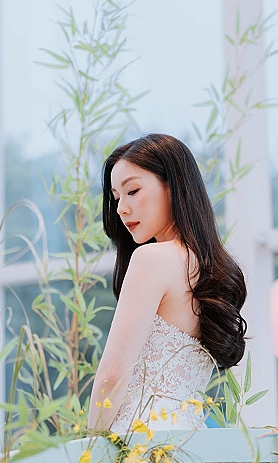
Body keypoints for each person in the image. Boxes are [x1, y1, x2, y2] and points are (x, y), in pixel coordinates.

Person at [88, 133, 247, 434]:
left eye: (132, 190)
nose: (121, 208)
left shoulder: (151, 259)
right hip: (192, 443)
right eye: (116, 197)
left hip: (142, 441)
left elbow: (112, 375)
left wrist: (90, 448)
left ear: (173, 186)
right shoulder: (212, 269)